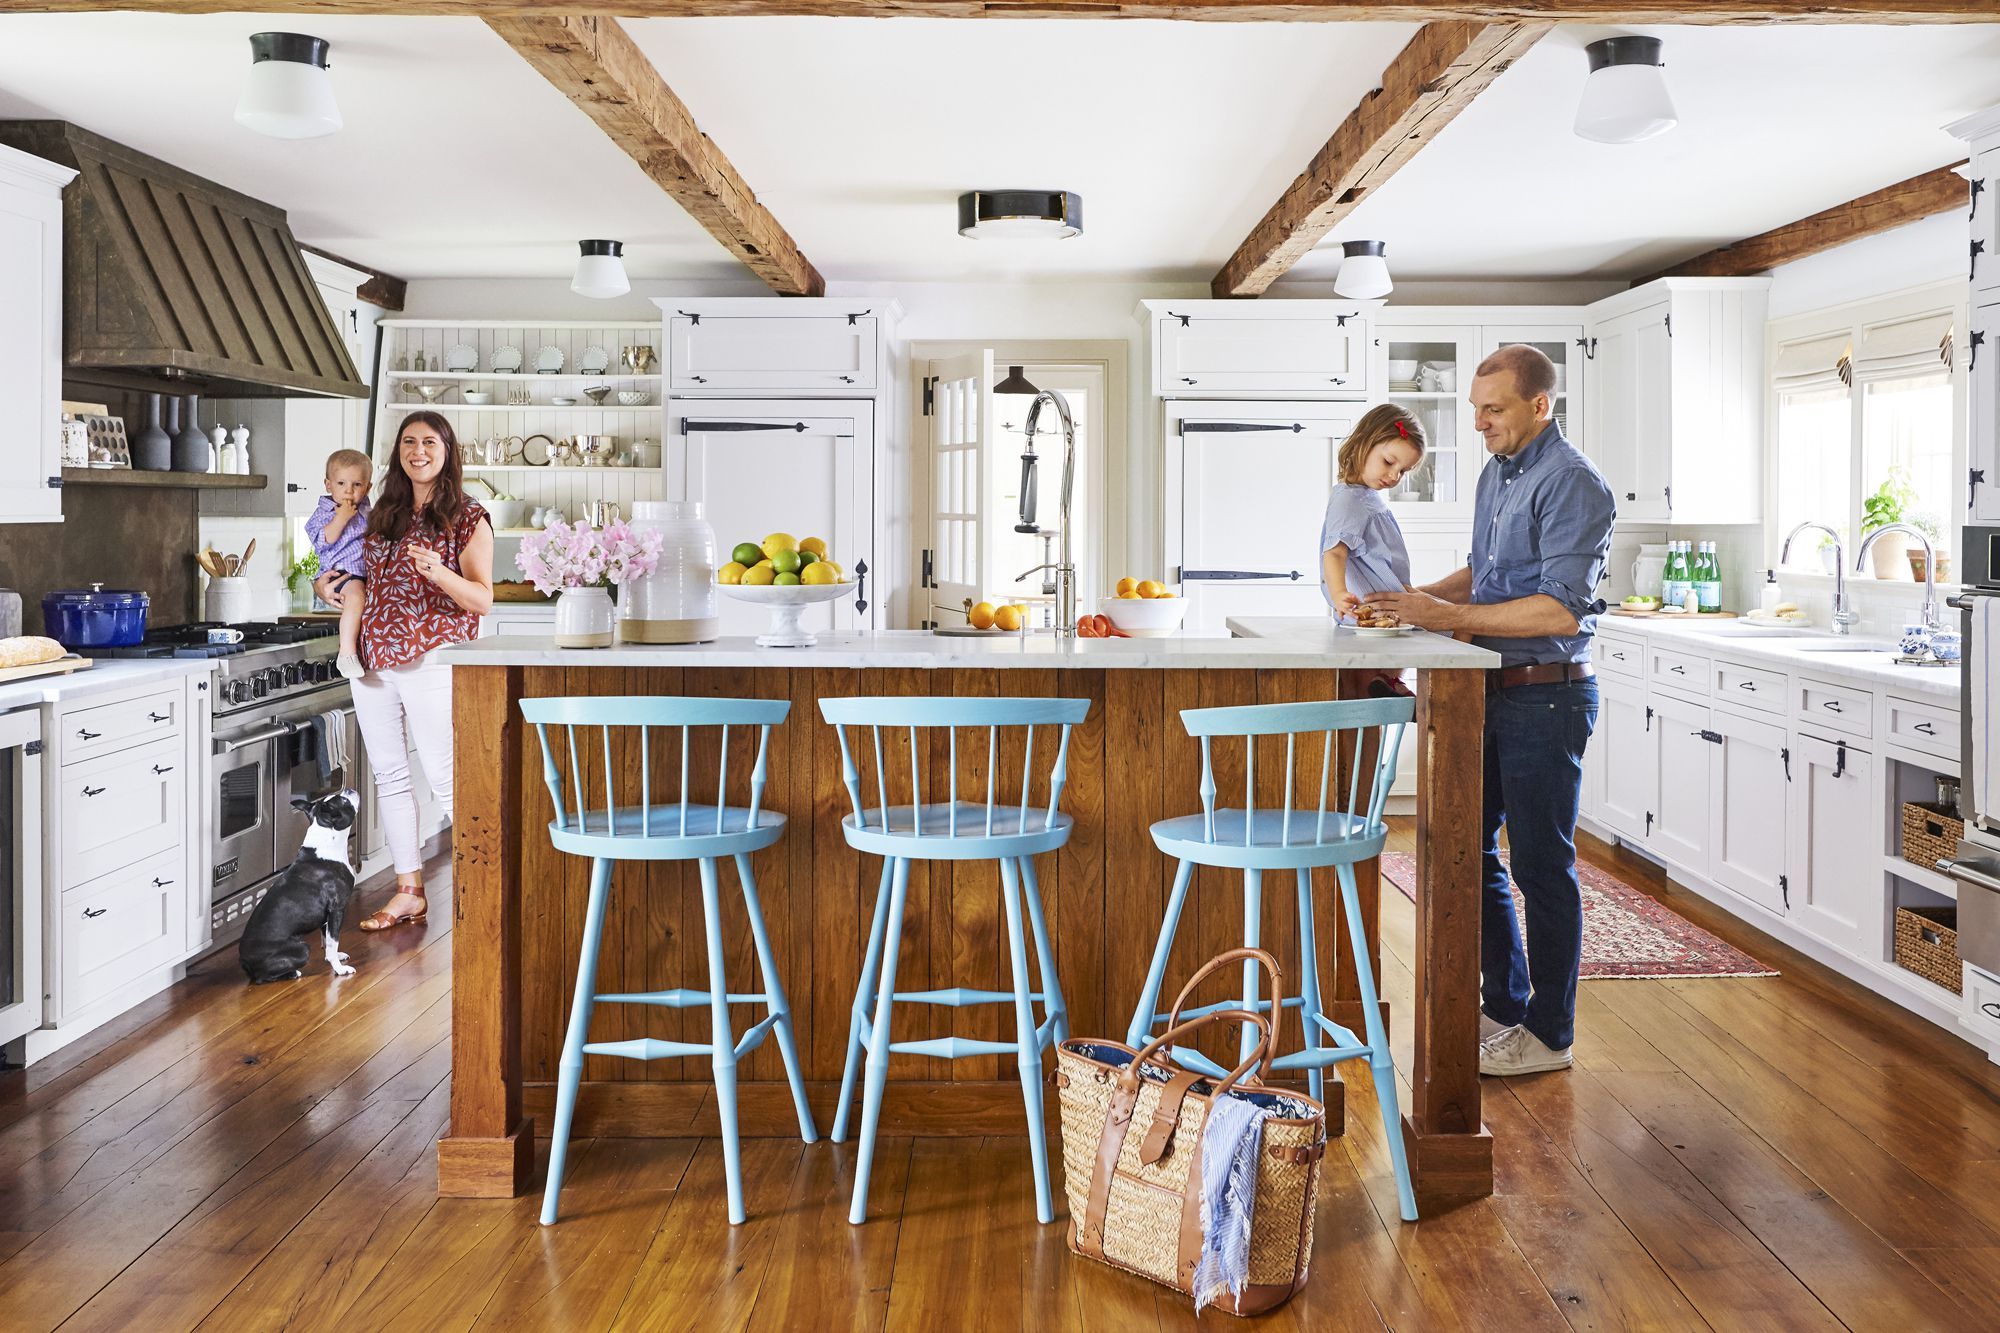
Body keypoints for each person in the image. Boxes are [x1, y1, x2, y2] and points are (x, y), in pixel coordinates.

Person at [1361, 345, 1615, 1077]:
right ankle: (1504, 1005)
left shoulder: (1571, 483)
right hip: (1492, 691)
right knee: (1470, 849)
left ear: (1540, 405)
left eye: (1493, 409)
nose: (1479, 422)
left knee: (1543, 867)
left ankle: (1551, 1032)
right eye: (1475, 408)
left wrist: (1435, 612)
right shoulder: (1497, 474)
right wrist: (1406, 608)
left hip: (1548, 692)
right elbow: (1487, 575)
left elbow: (1557, 608)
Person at [317, 411, 493, 933]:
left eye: (429, 442)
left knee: (446, 777)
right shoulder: (380, 511)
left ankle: (486, 885)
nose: (419, 450)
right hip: (372, 658)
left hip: (429, 657)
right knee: (390, 778)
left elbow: (482, 600)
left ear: (447, 450)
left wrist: (440, 572)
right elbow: (341, 566)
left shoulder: (467, 515)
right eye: (409, 442)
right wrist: (324, 587)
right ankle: (409, 891)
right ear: (398, 452)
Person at [1320, 404, 1427, 620]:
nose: (1395, 476)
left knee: (1460, 629)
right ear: (1363, 445)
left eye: (1403, 471)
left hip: (1390, 608)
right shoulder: (1348, 499)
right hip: (1374, 612)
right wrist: (1339, 593)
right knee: (1461, 631)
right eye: (1388, 462)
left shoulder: (1366, 496)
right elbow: (1334, 552)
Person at [306, 448, 373, 681]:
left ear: (368, 488)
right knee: (356, 599)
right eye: (342, 483)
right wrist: (341, 518)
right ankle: (345, 652)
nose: (348, 491)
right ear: (328, 485)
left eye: (357, 485)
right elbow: (325, 539)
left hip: (361, 573)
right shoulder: (325, 513)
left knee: (359, 600)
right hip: (341, 573)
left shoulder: (367, 511)